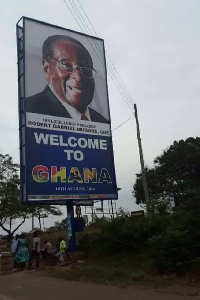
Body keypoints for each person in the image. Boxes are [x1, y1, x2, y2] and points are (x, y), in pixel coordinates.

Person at [26, 35, 109, 124]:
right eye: (67, 65)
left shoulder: (102, 122)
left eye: (86, 69)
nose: (78, 77)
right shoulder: (30, 109)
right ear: (47, 69)